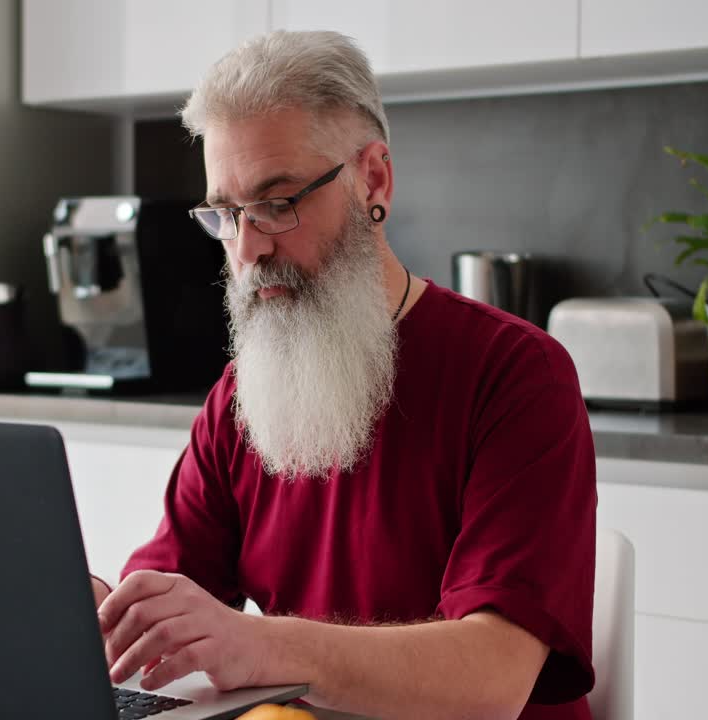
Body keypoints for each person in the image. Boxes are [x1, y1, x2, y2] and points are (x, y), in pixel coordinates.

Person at [91, 30, 597, 720]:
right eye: (227, 213)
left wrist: (264, 645)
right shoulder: (242, 398)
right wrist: (98, 616)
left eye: (278, 203)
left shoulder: (517, 375)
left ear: (374, 181)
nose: (248, 248)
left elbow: (494, 677)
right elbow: (168, 610)